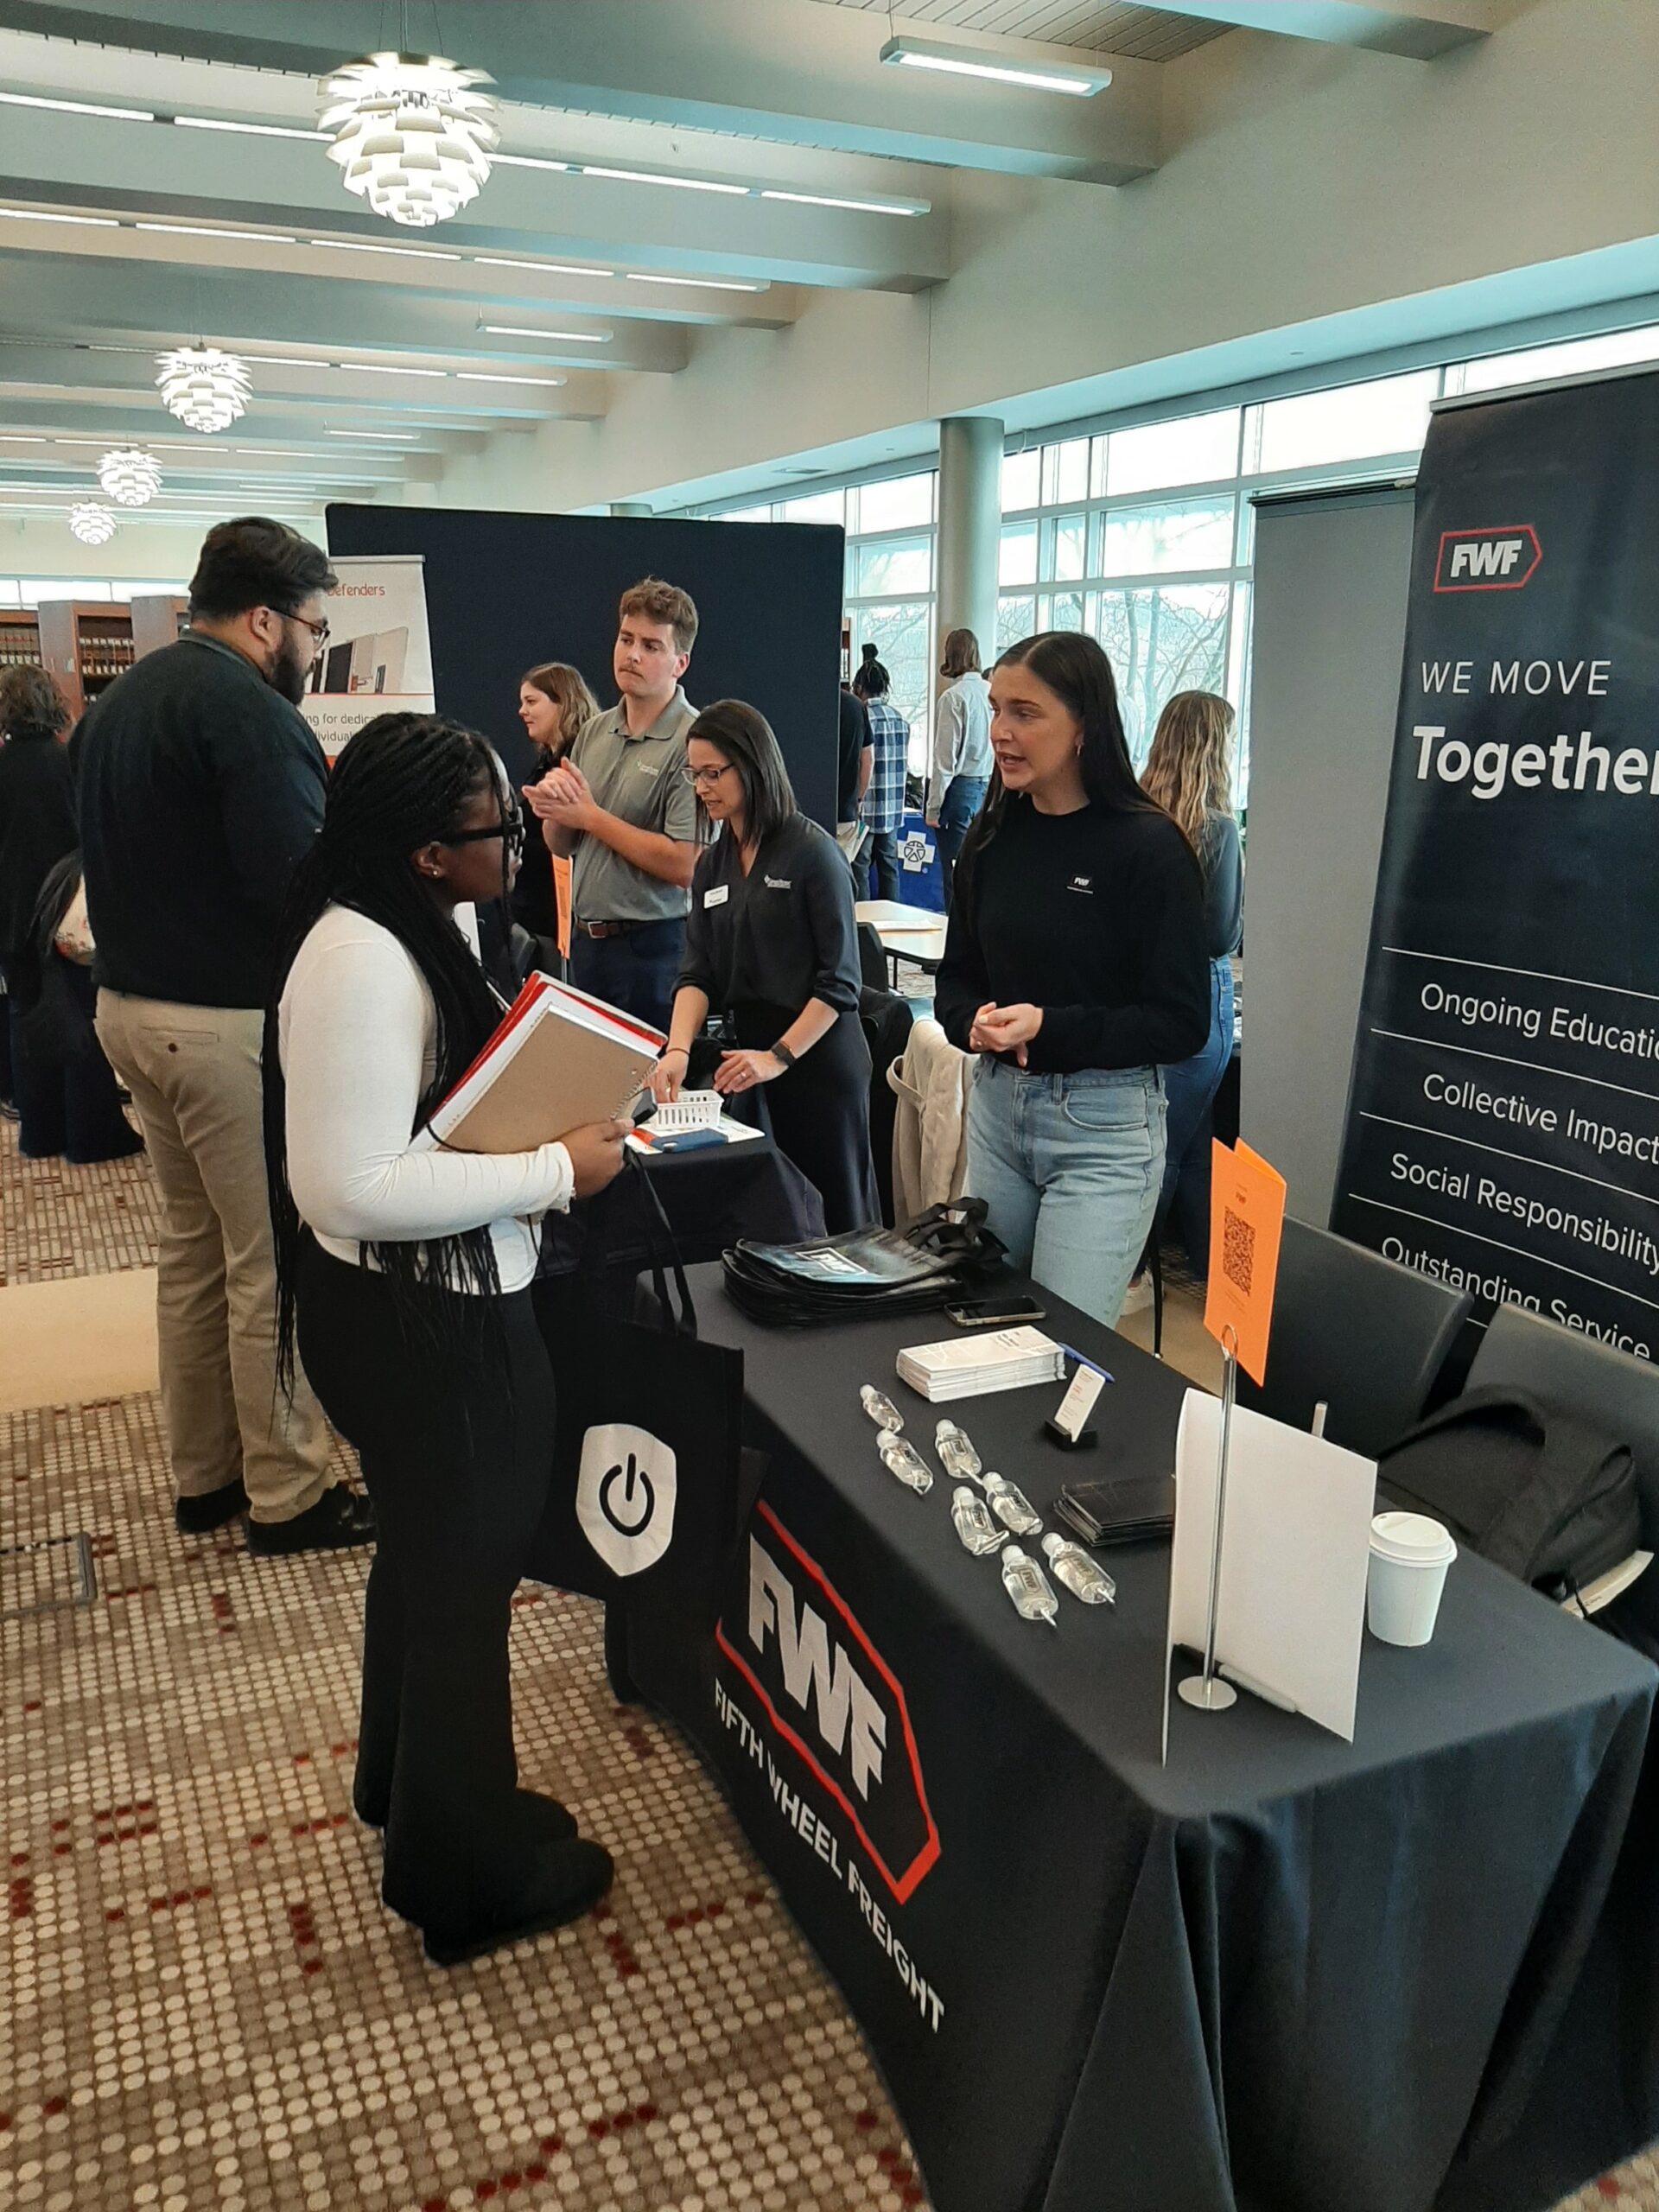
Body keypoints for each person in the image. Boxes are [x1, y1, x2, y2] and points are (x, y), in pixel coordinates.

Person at [266, 711, 628, 1967]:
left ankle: (406, 1788)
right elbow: (347, 1185)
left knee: (428, 1563)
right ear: (428, 851)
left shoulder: (410, 920)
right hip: (422, 1327)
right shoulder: (362, 958)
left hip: (414, 1311)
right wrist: (555, 1169)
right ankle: (460, 1879)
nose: (518, 843)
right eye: (498, 828)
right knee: (466, 1586)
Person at [78, 516, 369, 1556]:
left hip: (128, 1012)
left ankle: (205, 1477)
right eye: (316, 628)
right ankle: (288, 1492)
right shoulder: (251, 715)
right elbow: (297, 884)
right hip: (221, 1031)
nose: (317, 648)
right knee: (271, 1261)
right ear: (265, 621)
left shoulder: (120, 704)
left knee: (192, 1250)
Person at [934, 632, 1208, 1327]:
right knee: (984, 1331)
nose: (1000, 732)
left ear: (1085, 725)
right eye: (996, 709)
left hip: (1103, 1131)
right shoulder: (990, 837)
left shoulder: (1150, 849)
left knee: (1061, 1344)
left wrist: (1049, 1026)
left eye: (1025, 713)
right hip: (997, 1114)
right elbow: (955, 979)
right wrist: (971, 1021)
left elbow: (1181, 1023)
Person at [651, 701, 879, 1234]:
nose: (701, 788)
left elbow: (840, 983)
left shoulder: (813, 853)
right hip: (749, 1063)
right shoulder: (714, 863)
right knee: (776, 1221)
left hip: (817, 1059)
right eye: (694, 774)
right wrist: (677, 1050)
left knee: (837, 1222)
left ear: (752, 766)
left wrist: (778, 1057)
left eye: (713, 773)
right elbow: (697, 972)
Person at [524, 579, 702, 1033]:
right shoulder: (594, 731)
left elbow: (685, 864)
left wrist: (590, 816)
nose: (632, 655)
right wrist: (556, 809)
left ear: (680, 663)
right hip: (586, 942)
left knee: (650, 1076)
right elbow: (562, 845)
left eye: (651, 646)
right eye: (626, 640)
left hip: (654, 949)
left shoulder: (694, 740)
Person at [0, 669, 139, 1163]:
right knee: (81, 1020)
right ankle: (90, 1136)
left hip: (11, 915)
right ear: (53, 704)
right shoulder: (67, 765)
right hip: (66, 912)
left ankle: (40, 1133)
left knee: (26, 1019)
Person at [1140, 690, 1243, 1281]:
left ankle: (1213, 1275)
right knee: (1170, 1151)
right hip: (1200, 996)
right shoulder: (1219, 830)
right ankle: (1134, 1273)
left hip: (1142, 993)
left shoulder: (1136, 816)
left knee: (1195, 1142)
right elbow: (1221, 935)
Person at [511, 660, 598, 967]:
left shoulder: (580, 763)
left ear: (563, 703)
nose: (522, 711)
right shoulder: (547, 761)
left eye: (531, 701)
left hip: (561, 924)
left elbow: (571, 844)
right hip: (535, 917)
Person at [926, 627, 993, 906]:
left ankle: (954, 928)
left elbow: (945, 759)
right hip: (988, 787)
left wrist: (933, 808)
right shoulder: (992, 693)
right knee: (980, 871)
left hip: (959, 790)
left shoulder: (953, 697)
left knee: (954, 873)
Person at [853, 645, 911, 901]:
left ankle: (863, 919)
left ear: (859, 687)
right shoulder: (900, 720)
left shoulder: (860, 717)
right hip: (892, 807)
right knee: (889, 869)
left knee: (860, 868)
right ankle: (891, 916)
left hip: (865, 807)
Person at [835, 683, 874, 867]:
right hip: (845, 811)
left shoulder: (802, 701)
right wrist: (858, 798)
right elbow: (867, 760)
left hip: (804, 812)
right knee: (841, 872)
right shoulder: (856, 706)